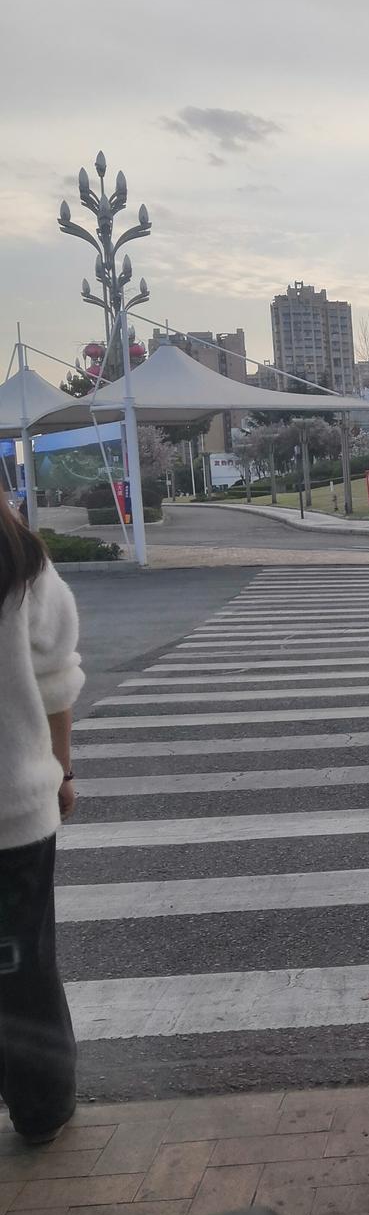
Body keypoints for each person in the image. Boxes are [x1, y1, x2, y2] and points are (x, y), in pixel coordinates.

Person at [0, 488, 83, 1144]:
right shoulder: (21, 559)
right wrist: (64, 768)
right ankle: (42, 1108)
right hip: (15, 808)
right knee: (23, 970)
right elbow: (56, 675)